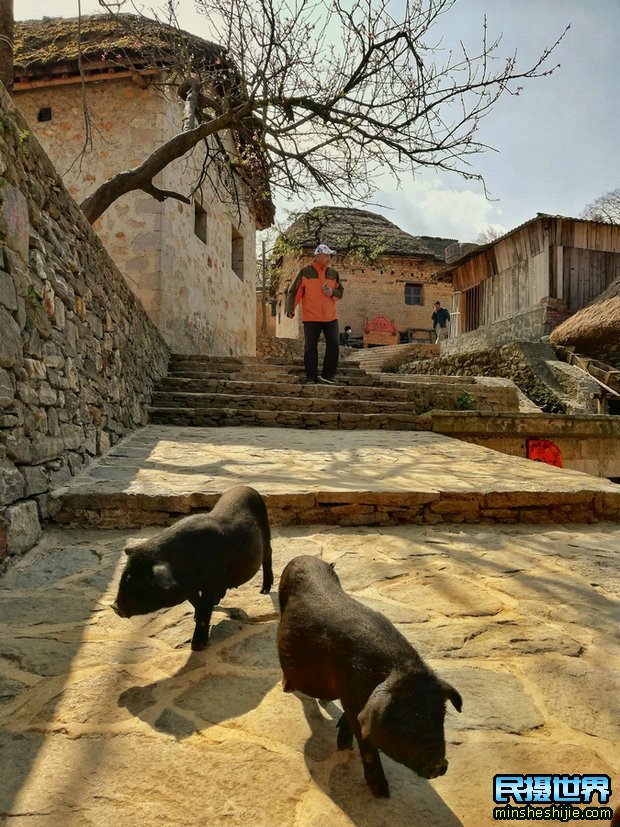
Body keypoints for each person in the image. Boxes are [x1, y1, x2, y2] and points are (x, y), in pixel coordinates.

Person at [285, 243, 344, 384]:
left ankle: (328, 375)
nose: (329, 258)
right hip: (311, 317)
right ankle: (311, 377)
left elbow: (340, 292)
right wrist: (291, 308)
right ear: (317, 256)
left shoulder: (333, 273)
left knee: (334, 344)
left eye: (329, 255)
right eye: (326, 255)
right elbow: (295, 291)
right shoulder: (306, 272)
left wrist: (332, 293)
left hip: (330, 317)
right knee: (310, 347)